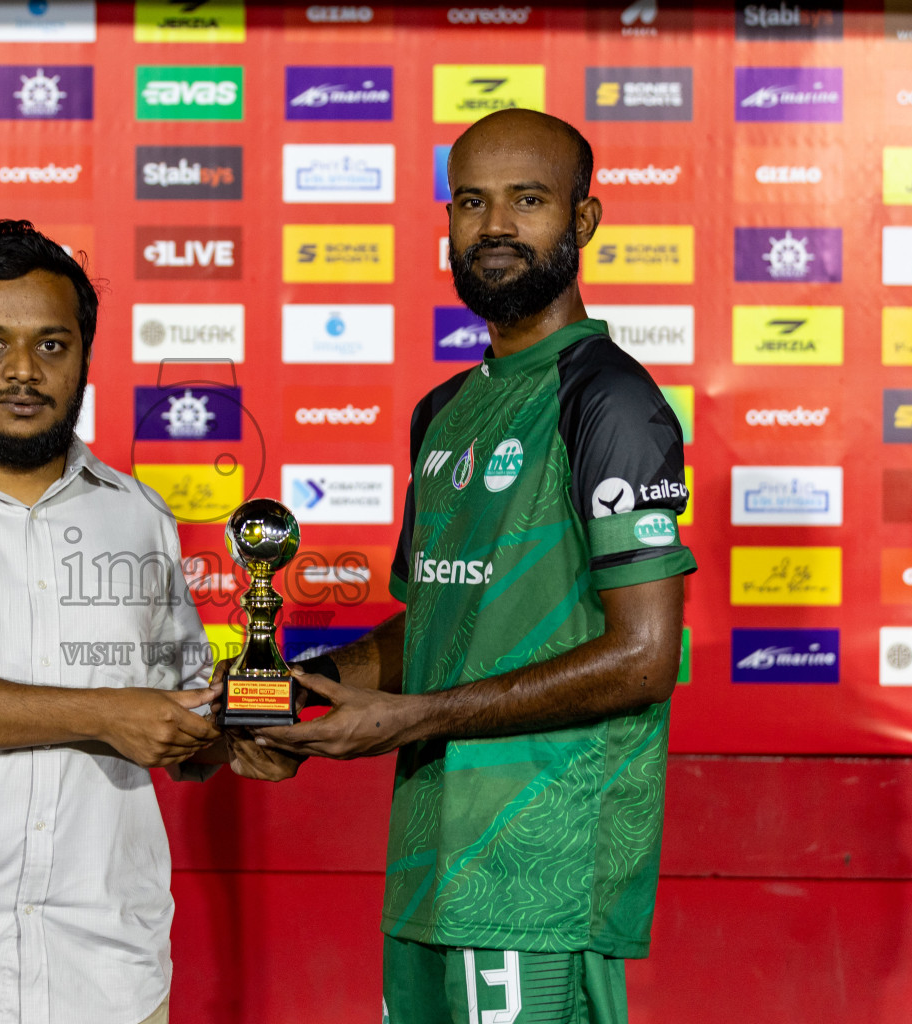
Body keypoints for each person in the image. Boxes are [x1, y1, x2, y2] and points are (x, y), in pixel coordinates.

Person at [251, 109, 698, 1023]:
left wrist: (411, 718)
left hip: (539, 881)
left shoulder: (611, 400)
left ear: (584, 220)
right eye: (470, 202)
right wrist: (295, 695)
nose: (494, 227)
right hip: (427, 869)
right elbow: (437, 628)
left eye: (527, 201)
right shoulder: (446, 410)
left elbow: (645, 656)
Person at [0, 220, 283, 1024]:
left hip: (110, 980)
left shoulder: (139, 517)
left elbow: (174, 721)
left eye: (52, 346)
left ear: (84, 362)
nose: (23, 371)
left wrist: (238, 730)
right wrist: (112, 714)